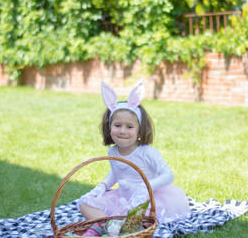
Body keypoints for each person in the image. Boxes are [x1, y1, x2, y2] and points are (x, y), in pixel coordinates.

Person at [78, 79, 190, 235]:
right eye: (117, 125)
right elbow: (115, 173)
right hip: (122, 198)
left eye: (129, 127)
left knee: (135, 216)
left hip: (146, 200)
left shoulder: (146, 152)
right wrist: (102, 186)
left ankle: (104, 226)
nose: (123, 131)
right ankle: (109, 225)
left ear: (140, 130)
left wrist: (146, 187)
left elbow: (168, 175)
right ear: (109, 127)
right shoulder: (113, 152)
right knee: (84, 204)